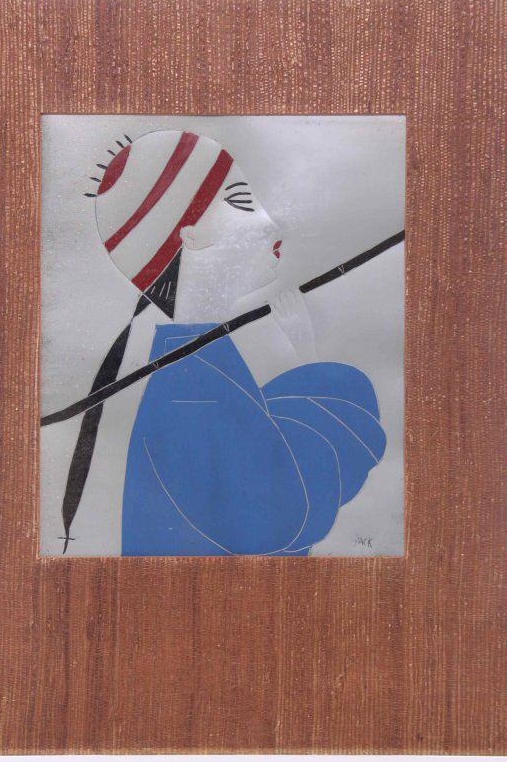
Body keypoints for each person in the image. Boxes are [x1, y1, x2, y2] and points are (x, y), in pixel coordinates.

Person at [69, 129, 386, 556]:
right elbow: (279, 511)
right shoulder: (191, 388)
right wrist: (320, 376)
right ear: (191, 237)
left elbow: (260, 453)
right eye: (241, 203)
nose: (271, 224)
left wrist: (305, 360)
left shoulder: (193, 368)